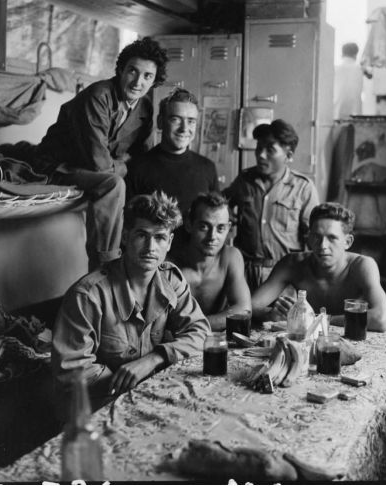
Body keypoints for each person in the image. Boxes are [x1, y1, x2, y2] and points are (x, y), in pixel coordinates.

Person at [51, 191, 211, 410]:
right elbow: (72, 372)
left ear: (170, 242)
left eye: (160, 237)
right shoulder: (88, 295)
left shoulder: (171, 280)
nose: (150, 247)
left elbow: (201, 332)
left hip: (148, 396)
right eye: (141, 235)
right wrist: (127, 380)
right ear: (125, 236)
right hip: (96, 406)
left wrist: (154, 359)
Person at [33, 37, 168, 269]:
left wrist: (128, 165)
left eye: (148, 76)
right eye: (132, 71)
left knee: (140, 185)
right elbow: (99, 164)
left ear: (154, 81)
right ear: (120, 70)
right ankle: (105, 265)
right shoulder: (99, 95)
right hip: (58, 166)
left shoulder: (144, 107)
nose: (138, 82)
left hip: (94, 169)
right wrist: (123, 164)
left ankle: (135, 258)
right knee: (114, 184)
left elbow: (140, 160)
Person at [251, 202, 386, 332]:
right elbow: (250, 306)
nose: (323, 246)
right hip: (306, 341)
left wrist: (317, 320)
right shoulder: (293, 263)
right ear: (309, 238)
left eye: (332, 238)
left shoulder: (362, 266)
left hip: (350, 341)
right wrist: (270, 314)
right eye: (317, 237)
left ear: (347, 242)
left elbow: (381, 319)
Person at [224, 119, 319, 292]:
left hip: (284, 274)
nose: (261, 155)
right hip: (244, 271)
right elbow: (220, 203)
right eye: (259, 148)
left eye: (270, 150)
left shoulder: (303, 188)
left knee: (279, 318)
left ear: (288, 156)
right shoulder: (245, 180)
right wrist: (226, 213)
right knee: (242, 316)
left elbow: (313, 237)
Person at [126, 88, 219, 254]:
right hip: (153, 260)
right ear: (161, 122)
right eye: (176, 119)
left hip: (195, 262)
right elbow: (129, 225)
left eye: (191, 121)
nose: (184, 128)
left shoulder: (207, 168)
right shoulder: (138, 167)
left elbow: (215, 218)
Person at [170, 192, 251, 331]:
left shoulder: (230, 257)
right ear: (189, 224)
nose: (212, 236)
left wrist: (192, 327)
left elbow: (243, 310)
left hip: (214, 343)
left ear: (228, 228)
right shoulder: (169, 263)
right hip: (176, 344)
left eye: (220, 228)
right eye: (204, 227)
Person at [333, 42, 364, 118]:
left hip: (337, 110)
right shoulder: (361, 70)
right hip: (355, 112)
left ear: (342, 54)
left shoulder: (335, 69)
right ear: (355, 55)